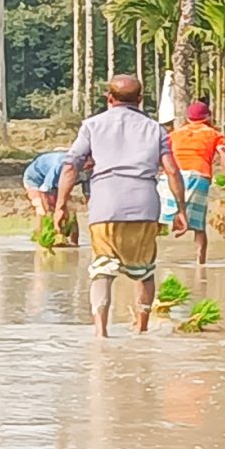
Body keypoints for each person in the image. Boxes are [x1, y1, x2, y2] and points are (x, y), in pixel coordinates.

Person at [56, 74, 189, 337]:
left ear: (109, 98)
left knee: (102, 268)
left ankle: (100, 332)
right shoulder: (156, 129)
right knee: (144, 271)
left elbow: (71, 165)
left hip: (105, 206)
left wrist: (61, 204)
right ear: (140, 100)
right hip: (144, 206)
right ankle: (141, 328)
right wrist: (180, 209)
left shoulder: (92, 125)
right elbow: (172, 171)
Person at [160, 99, 225, 264]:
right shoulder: (214, 134)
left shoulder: (174, 134)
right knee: (198, 226)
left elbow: (160, 157)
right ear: (208, 117)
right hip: (198, 177)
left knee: (158, 221)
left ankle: (149, 261)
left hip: (169, 177)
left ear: (188, 118)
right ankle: (200, 264)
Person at [22, 149, 84, 233]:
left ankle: (73, 243)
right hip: (35, 179)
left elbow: (89, 196)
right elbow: (45, 191)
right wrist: (50, 212)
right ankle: (42, 236)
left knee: (69, 210)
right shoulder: (59, 166)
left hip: (58, 180)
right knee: (42, 208)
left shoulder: (89, 170)